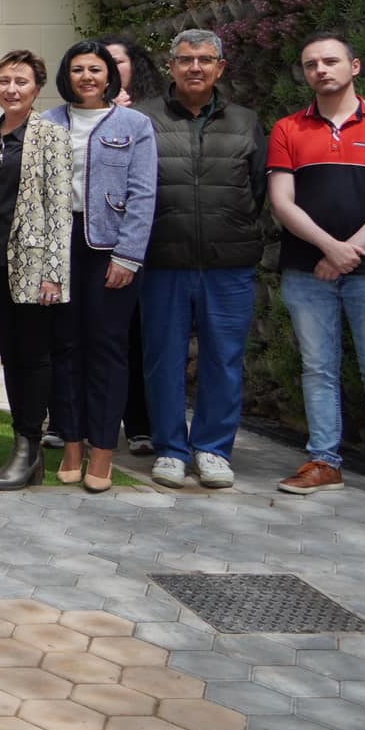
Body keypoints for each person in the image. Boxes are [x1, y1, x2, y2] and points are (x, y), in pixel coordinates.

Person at [268, 33, 365, 510]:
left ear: (354, 66)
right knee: (317, 368)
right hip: (307, 269)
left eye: (331, 61)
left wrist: (347, 251)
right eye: (311, 63)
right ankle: (324, 462)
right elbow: (281, 204)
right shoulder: (288, 129)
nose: (321, 70)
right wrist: (329, 248)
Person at [140, 30, 265, 491]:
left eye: (205, 59)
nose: (195, 67)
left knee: (224, 360)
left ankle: (213, 448)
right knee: (163, 360)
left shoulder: (246, 121)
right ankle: (171, 449)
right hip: (162, 262)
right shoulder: (143, 119)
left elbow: (257, 190)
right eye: (186, 59)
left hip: (227, 263)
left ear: (220, 67)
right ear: (171, 66)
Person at [40, 41, 156, 493]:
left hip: (109, 247)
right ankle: (71, 442)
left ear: (110, 75)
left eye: (95, 69)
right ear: (65, 76)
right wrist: (45, 259)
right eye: (77, 69)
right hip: (59, 245)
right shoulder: (46, 124)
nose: (86, 77)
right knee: (65, 347)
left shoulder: (135, 124)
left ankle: (104, 450)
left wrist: (128, 255)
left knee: (107, 349)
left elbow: (144, 194)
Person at [0, 50, 73, 491]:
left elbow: (59, 211)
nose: (11, 89)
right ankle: (23, 441)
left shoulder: (51, 137)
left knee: (34, 357)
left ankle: (29, 445)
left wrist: (54, 273)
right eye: (4, 81)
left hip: (35, 269)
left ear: (36, 88)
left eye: (21, 81)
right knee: (10, 356)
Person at [101, 33, 162, 455]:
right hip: (95, 245)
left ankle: (140, 424)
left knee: (141, 339)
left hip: (146, 246)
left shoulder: (155, 115)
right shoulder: (75, 114)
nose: (105, 67)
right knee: (102, 338)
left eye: (115, 60)